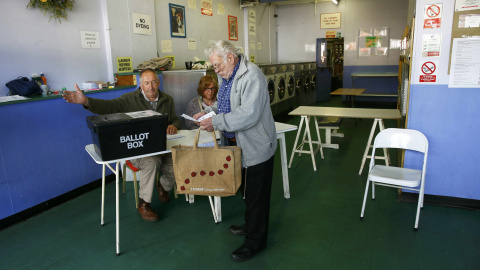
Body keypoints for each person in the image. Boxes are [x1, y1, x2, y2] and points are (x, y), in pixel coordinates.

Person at [62, 68, 181, 222]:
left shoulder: (167, 99)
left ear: (158, 83)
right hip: (138, 149)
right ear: (141, 85)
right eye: (146, 83)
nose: (150, 86)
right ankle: (144, 204)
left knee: (178, 156)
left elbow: (175, 119)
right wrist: (86, 101)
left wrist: (174, 125)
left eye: (153, 82)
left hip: (161, 145)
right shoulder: (129, 99)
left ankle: (163, 186)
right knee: (153, 161)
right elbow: (108, 106)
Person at [197, 40, 277, 262]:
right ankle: (251, 225)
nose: (216, 69)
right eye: (214, 66)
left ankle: (255, 242)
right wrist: (208, 112)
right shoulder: (228, 76)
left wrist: (217, 122)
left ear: (230, 58)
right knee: (247, 191)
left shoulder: (253, 76)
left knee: (256, 196)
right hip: (238, 145)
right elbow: (226, 104)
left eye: (217, 64)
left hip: (257, 146)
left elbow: (248, 114)